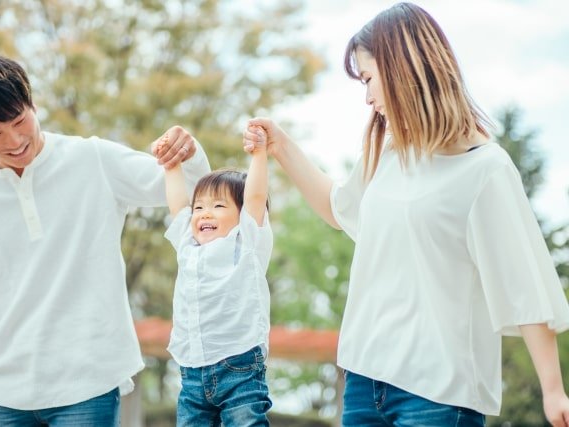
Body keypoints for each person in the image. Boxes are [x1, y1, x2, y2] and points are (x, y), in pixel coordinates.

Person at [242, 3, 569, 426]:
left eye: (369, 79)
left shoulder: (486, 168)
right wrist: (280, 145)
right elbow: (338, 208)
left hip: (439, 394)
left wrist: (553, 389)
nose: (368, 97)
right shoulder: (388, 153)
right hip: (363, 382)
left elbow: (525, 283)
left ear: (403, 69)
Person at [0, 54, 210, 427]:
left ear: (31, 102)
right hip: (6, 393)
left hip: (87, 385)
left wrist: (187, 152)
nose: (14, 141)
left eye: (19, 121)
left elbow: (191, 191)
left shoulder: (91, 159)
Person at [156, 125, 272, 426]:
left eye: (219, 206)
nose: (204, 213)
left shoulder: (245, 241)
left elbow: (257, 196)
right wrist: (171, 166)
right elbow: (178, 205)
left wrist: (259, 154)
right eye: (200, 207)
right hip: (191, 371)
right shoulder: (187, 242)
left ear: (242, 214)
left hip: (240, 367)